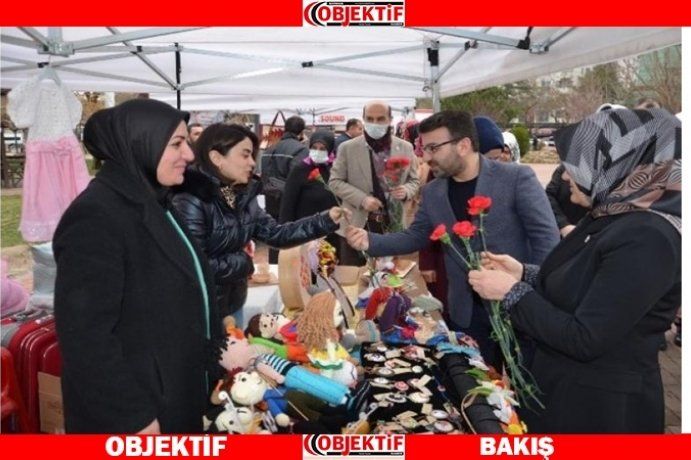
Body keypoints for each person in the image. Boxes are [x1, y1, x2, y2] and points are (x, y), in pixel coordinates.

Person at [467, 108, 681, 433]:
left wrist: (511, 293)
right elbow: (589, 285)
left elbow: (585, 337)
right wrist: (523, 273)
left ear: (619, 164)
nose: (566, 178)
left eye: (576, 166)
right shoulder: (612, 214)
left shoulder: (648, 236)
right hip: (569, 391)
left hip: (598, 411)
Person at [53, 99, 219, 433]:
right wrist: (131, 417)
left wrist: (215, 352)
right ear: (141, 143)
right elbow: (85, 337)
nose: (189, 154)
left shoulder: (155, 201)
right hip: (136, 411)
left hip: (173, 390)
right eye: (177, 143)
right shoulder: (95, 216)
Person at [346, 110, 559, 369]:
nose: (426, 157)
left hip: (518, 309)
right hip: (467, 313)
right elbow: (416, 235)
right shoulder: (433, 191)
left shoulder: (516, 178)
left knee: (525, 385)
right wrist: (370, 241)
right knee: (475, 382)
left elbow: (547, 240)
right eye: (424, 148)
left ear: (463, 145)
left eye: (433, 148)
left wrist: (536, 291)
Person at [172, 123, 349, 328]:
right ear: (217, 158)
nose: (252, 163)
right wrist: (244, 263)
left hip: (232, 302)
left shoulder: (240, 196)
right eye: (245, 155)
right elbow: (194, 264)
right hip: (200, 310)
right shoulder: (191, 200)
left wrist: (325, 219)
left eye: (252, 155)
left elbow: (276, 234)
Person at [329, 100, 419, 265]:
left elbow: (414, 180)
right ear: (363, 119)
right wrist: (362, 199)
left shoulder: (405, 147)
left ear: (390, 120)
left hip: (392, 227)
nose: (375, 123)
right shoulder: (347, 148)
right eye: (370, 119)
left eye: (380, 119)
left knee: (391, 275)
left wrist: (406, 190)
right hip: (356, 226)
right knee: (353, 276)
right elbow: (335, 181)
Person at [279, 129, 340, 250]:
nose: (317, 151)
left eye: (322, 149)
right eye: (314, 147)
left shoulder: (336, 169)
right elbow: (288, 204)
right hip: (306, 232)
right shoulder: (300, 169)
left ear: (330, 150)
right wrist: (285, 235)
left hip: (332, 232)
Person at [260, 115, 309, 220]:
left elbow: (263, 174)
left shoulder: (269, 149)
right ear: (301, 132)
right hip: (289, 203)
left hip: (269, 200)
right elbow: (297, 178)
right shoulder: (301, 150)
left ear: (285, 129)